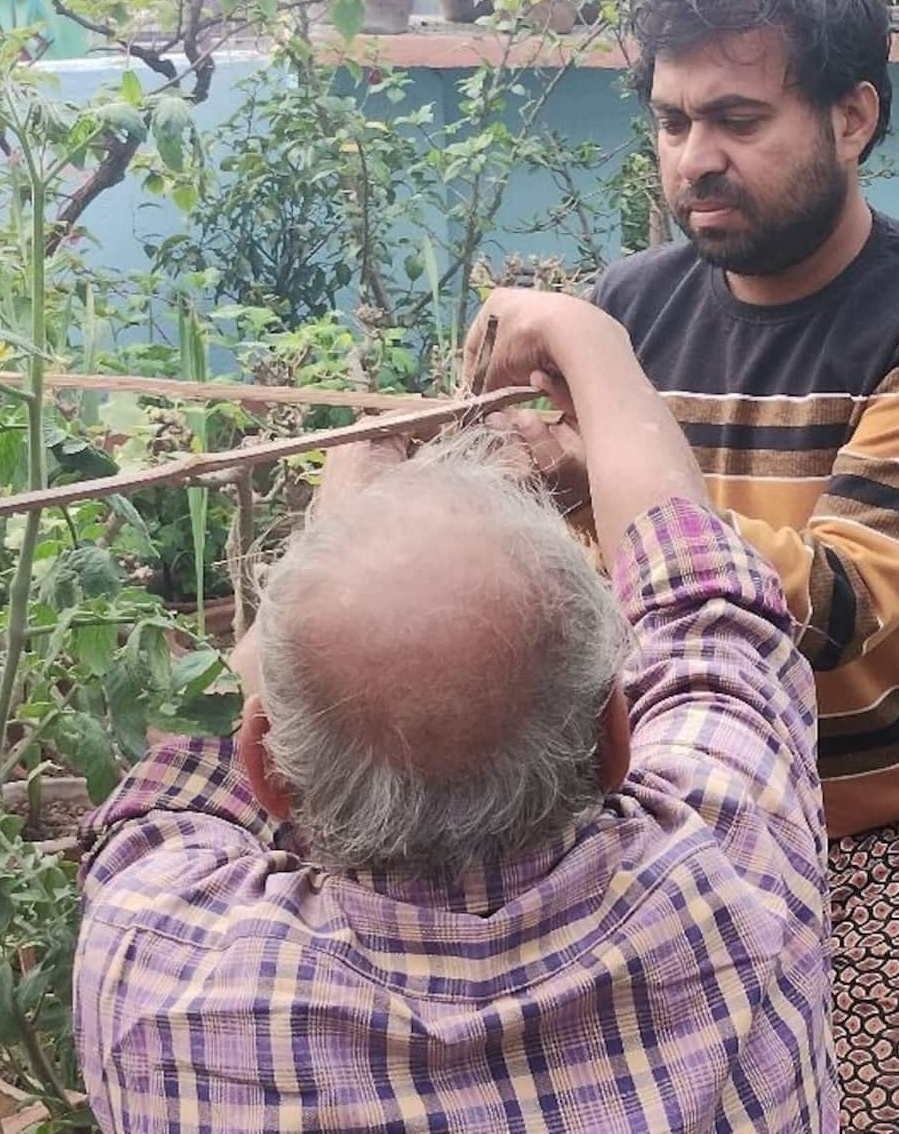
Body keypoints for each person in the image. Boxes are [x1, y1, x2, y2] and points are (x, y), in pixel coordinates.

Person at [484, 0, 899, 1131]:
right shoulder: (635, 305)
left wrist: (596, 435)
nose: (693, 160)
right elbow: (575, 565)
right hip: (667, 814)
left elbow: (842, 601)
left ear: (851, 117)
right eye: (670, 122)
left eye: (737, 119)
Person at [71, 292, 838, 1132]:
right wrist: (589, 337)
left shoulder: (160, 983)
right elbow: (707, 605)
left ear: (272, 772)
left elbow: (174, 790)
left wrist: (344, 519)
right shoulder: (731, 876)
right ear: (614, 735)